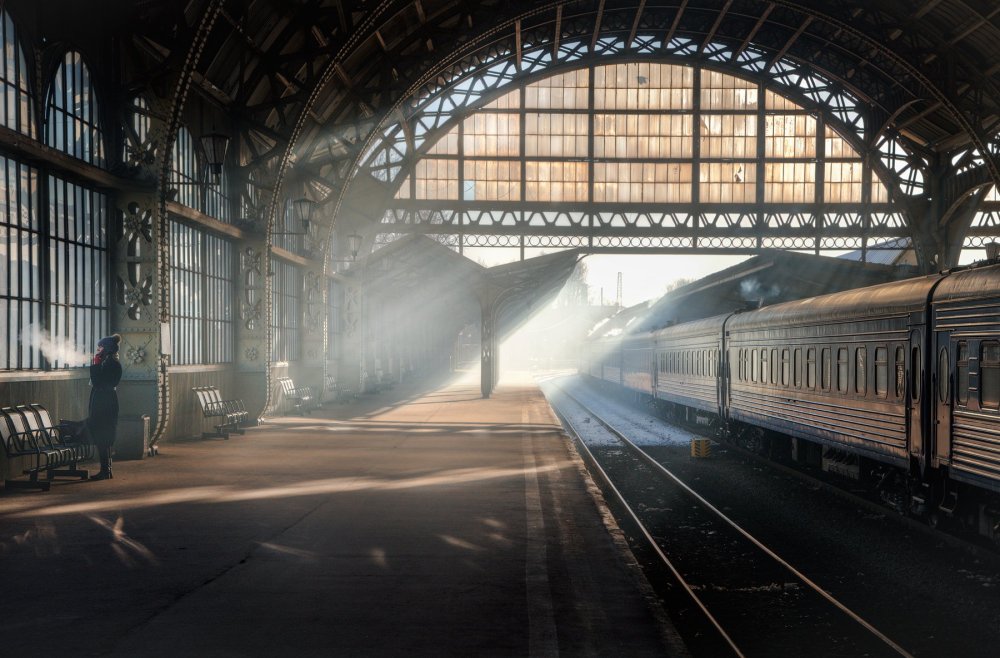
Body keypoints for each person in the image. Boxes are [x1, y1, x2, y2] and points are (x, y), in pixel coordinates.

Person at [88, 334, 122, 480]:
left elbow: (98, 383)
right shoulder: (111, 362)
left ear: (106, 349)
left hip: (104, 403)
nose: (98, 350)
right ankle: (107, 470)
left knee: (102, 436)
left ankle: (105, 471)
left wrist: (95, 365)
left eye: (100, 347)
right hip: (107, 402)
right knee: (106, 437)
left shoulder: (109, 364)